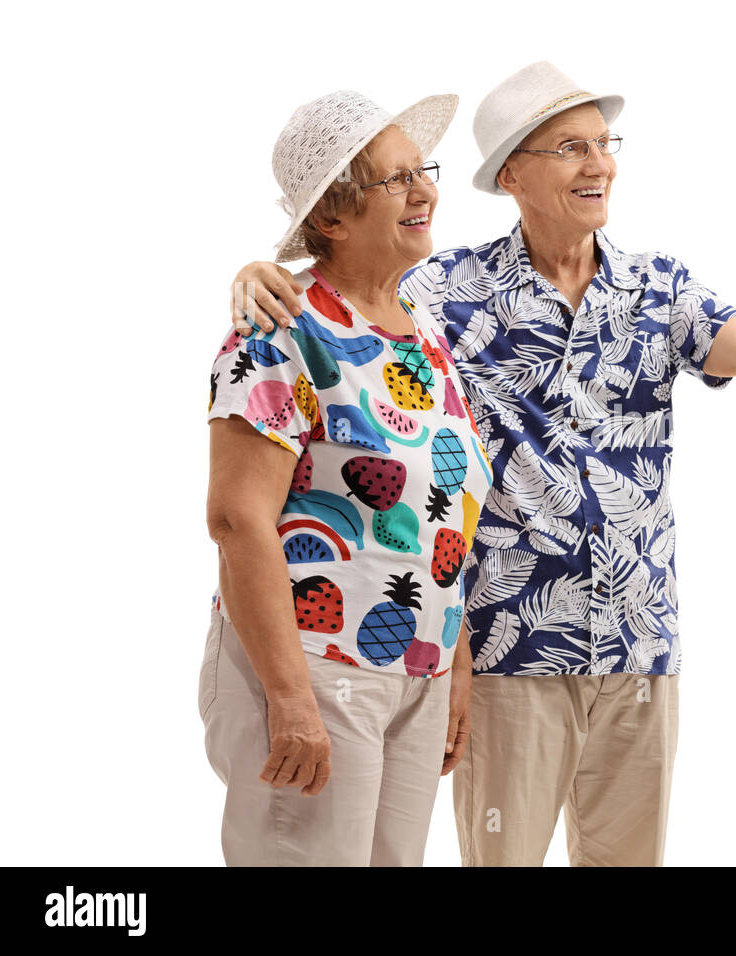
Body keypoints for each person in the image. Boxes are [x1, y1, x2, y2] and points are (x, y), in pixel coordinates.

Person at [231, 62, 736, 866]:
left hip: (640, 650)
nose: (600, 164)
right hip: (508, 650)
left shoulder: (657, 288)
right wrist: (257, 274)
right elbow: (345, 278)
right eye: (570, 147)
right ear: (512, 174)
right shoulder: (442, 291)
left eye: (603, 144)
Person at [203, 89, 492, 866]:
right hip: (315, 665)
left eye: (421, 171)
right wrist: (291, 697)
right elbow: (237, 519)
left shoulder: (422, 333)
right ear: (331, 215)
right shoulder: (280, 326)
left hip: (415, 670)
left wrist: (454, 662)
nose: (425, 190)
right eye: (396, 179)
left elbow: (445, 513)